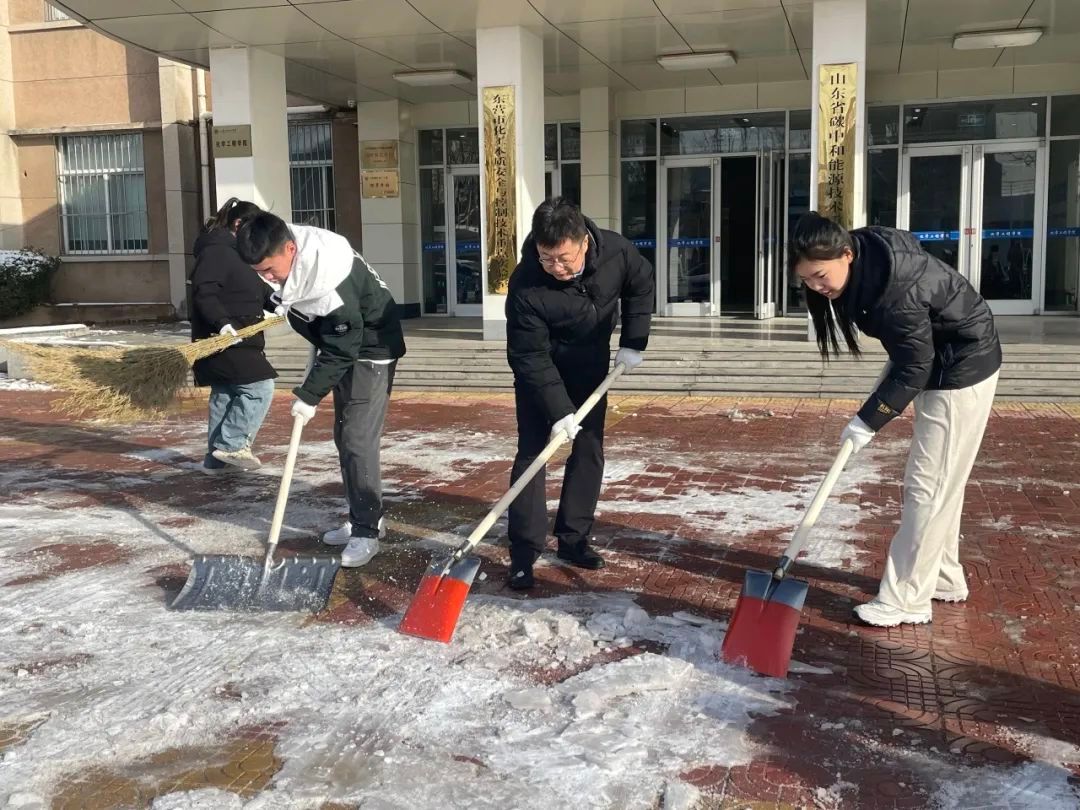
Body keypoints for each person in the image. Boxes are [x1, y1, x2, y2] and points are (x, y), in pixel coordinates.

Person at [790, 211, 1002, 627]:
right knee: (941, 484)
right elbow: (910, 353)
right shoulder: (867, 262)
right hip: (932, 353)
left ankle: (907, 598)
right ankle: (942, 577)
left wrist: (870, 420)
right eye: (806, 280)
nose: (816, 287)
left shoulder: (895, 292)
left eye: (820, 276)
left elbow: (914, 368)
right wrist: (871, 411)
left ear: (846, 254)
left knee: (928, 486)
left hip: (961, 365)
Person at [235, 212, 406, 568]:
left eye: (269, 270)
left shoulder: (330, 279)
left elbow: (344, 346)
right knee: (345, 436)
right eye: (259, 272)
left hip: (371, 349)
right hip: (340, 344)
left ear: (290, 249)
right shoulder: (290, 251)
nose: (267, 278)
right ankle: (365, 517)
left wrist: (309, 394)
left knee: (357, 440)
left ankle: (366, 532)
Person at [504, 197, 654, 590]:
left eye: (564, 258)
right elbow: (528, 354)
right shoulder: (526, 283)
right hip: (541, 373)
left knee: (589, 449)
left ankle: (573, 539)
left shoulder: (617, 252)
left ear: (584, 242)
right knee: (533, 454)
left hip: (590, 368)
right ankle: (524, 551)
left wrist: (634, 341)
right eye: (547, 258)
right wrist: (558, 409)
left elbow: (641, 284)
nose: (556, 267)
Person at [189, 198, 277, 474]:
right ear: (239, 224)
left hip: (240, 339)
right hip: (223, 340)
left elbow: (254, 290)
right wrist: (222, 324)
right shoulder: (216, 251)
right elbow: (204, 292)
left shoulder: (236, 254)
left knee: (226, 395)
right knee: (260, 387)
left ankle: (216, 461)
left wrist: (279, 303)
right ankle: (232, 445)